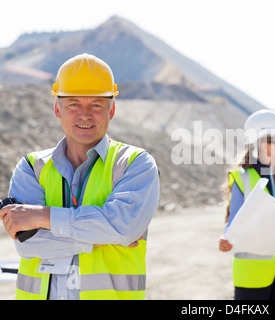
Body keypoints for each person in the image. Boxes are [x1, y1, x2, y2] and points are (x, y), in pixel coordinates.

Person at [0, 53, 159, 300]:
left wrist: (42, 216)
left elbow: (122, 227)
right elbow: (28, 244)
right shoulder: (32, 167)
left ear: (112, 110)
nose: (84, 114)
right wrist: (100, 238)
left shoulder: (134, 164)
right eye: (73, 103)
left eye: (96, 104)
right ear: (57, 108)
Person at [219, 109, 275, 300]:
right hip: (253, 274)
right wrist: (226, 239)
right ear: (265, 144)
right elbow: (234, 224)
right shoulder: (243, 178)